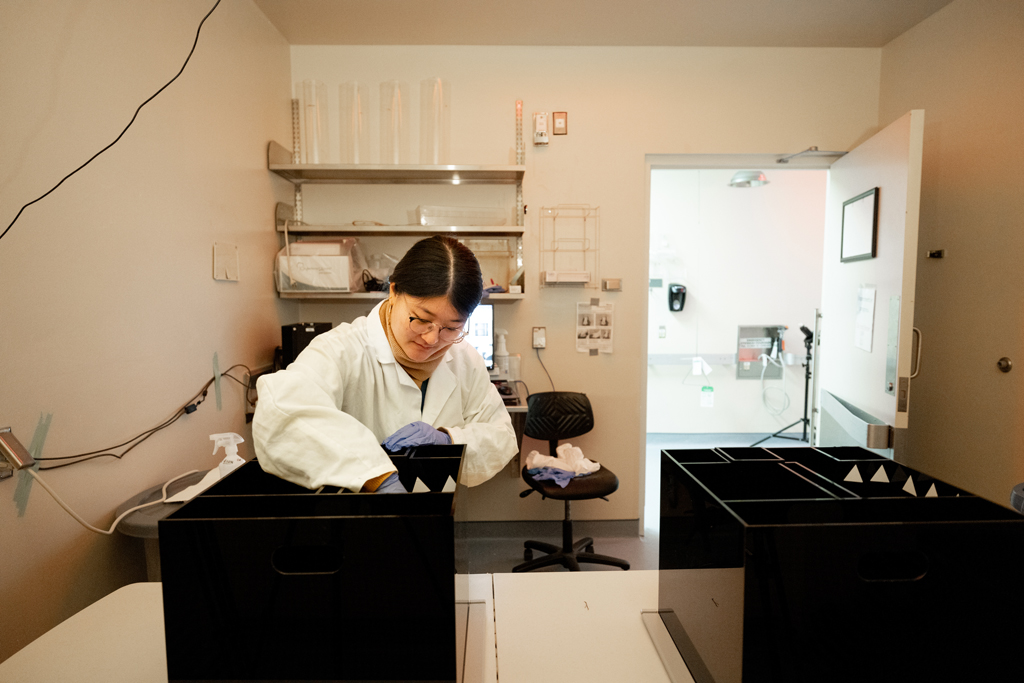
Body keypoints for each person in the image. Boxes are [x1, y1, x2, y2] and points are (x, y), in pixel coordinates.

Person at [253, 235, 518, 493]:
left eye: (451, 328)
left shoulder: (464, 358)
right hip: (358, 516)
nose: (432, 338)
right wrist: (375, 475)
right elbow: (281, 413)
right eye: (421, 319)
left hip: (436, 511)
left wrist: (449, 440)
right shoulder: (342, 349)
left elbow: (501, 435)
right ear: (394, 291)